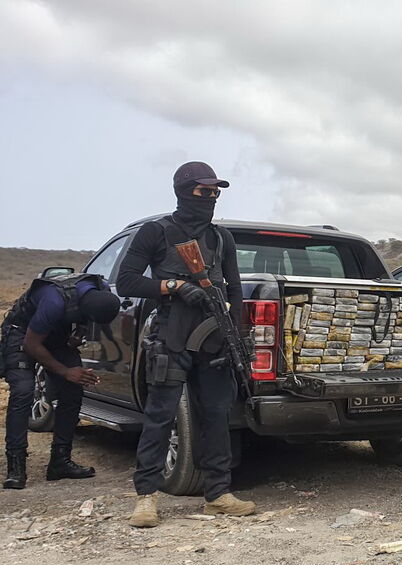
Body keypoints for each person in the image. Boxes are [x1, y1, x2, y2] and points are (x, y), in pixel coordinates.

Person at [117, 161, 255, 528]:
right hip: (171, 335)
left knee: (216, 416)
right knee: (160, 416)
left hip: (213, 336)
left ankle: (218, 495)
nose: (210, 198)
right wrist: (173, 286)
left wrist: (236, 334)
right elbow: (126, 281)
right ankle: (146, 497)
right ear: (183, 190)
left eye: (215, 192)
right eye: (203, 191)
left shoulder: (221, 238)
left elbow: (235, 288)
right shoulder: (156, 232)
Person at [2, 273, 120, 489]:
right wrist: (66, 372)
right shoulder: (53, 302)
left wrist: (78, 335)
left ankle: (59, 462)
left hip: (56, 335)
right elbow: (31, 345)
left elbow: (87, 321)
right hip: (23, 334)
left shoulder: (102, 290)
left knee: (73, 390)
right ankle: (16, 468)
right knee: (23, 391)